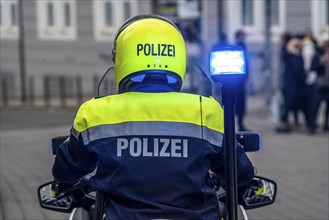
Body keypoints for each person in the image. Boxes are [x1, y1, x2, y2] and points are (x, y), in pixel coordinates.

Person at [52, 14, 254, 219]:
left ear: (121, 58)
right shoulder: (207, 110)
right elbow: (240, 175)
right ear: (178, 57)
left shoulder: (96, 113)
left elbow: (65, 172)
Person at [277, 37, 305, 132]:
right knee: (288, 104)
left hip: (296, 84)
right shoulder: (290, 55)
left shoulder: (297, 56)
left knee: (294, 104)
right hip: (290, 84)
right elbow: (297, 69)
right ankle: (283, 122)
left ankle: (290, 121)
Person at [234, 30, 250, 131]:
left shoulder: (243, 46)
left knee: (240, 105)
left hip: (241, 81)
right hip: (238, 82)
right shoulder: (239, 47)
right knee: (239, 104)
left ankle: (240, 124)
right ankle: (239, 125)